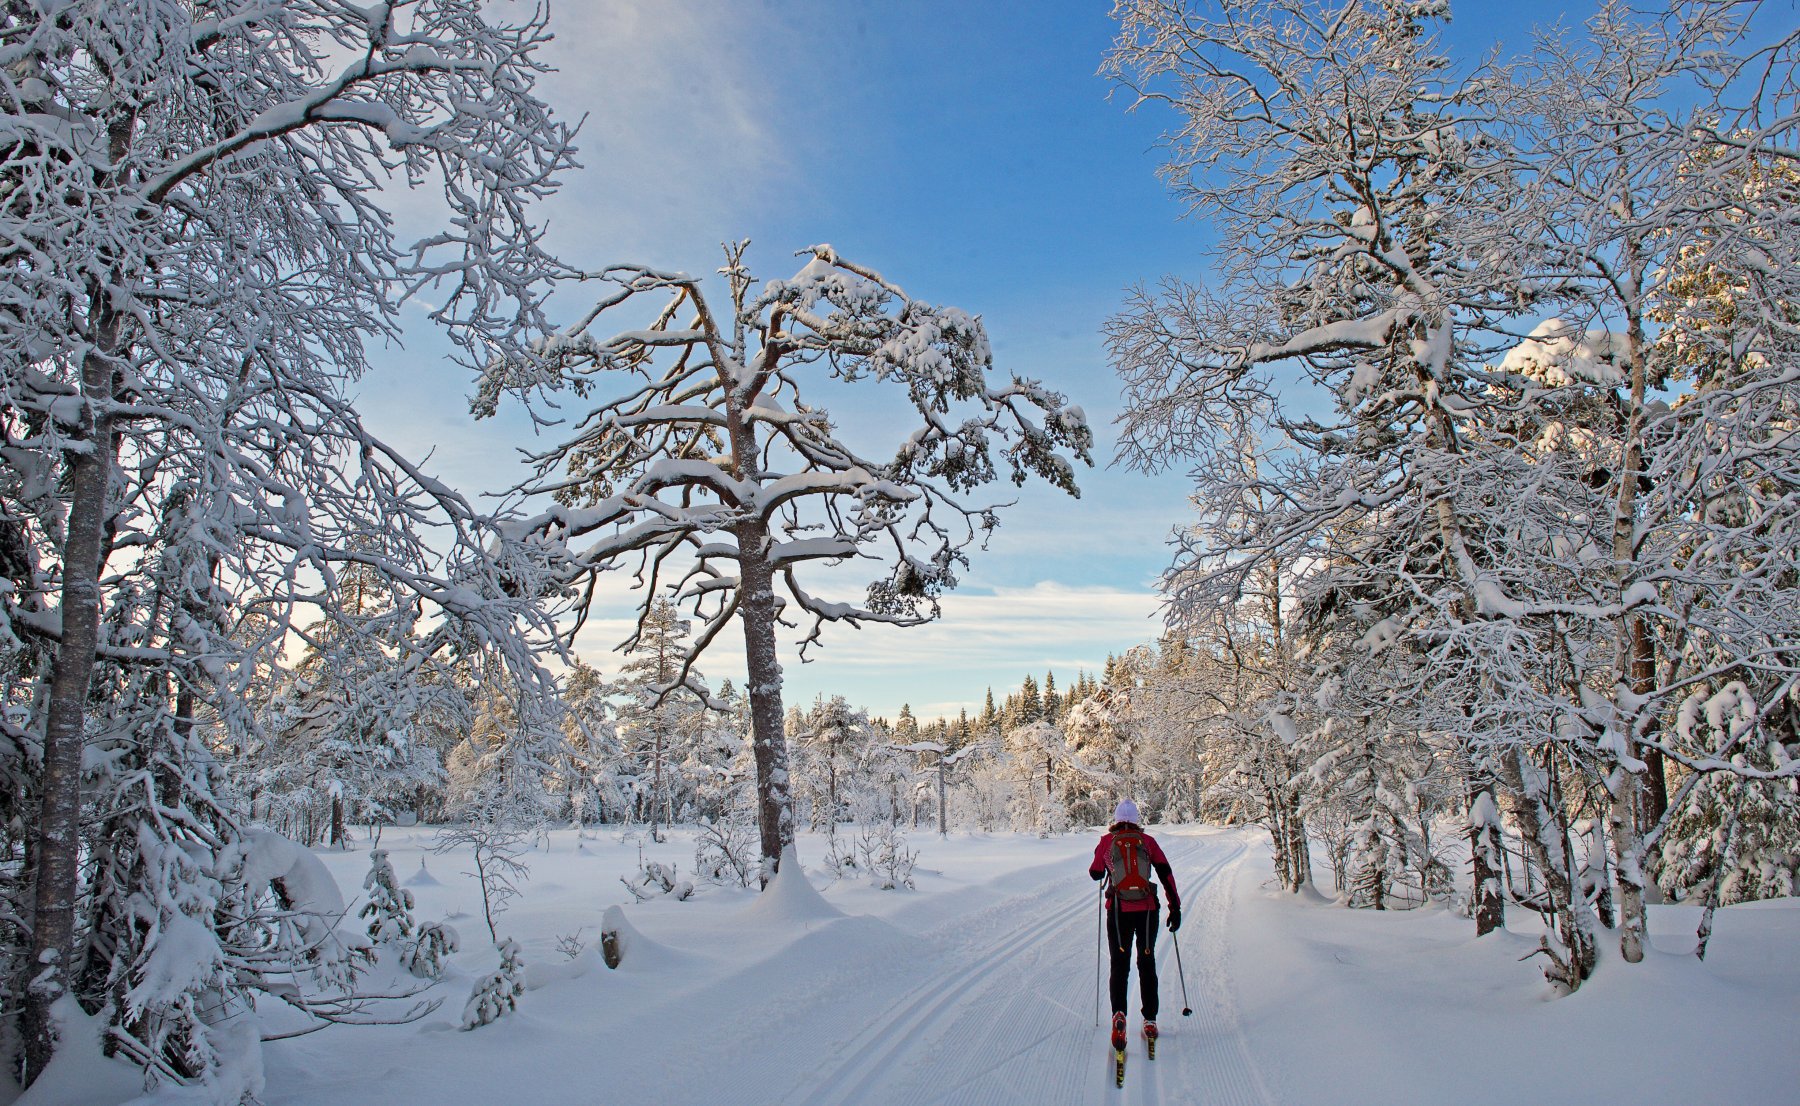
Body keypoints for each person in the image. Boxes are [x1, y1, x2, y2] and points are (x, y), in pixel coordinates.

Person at [1089, 799, 1179, 1052]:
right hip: (1147, 909)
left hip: (1118, 911)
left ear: (1116, 819)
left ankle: (1119, 1015)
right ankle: (1149, 1019)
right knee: (1146, 963)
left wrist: (1106, 867)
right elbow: (1165, 874)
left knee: (1119, 964)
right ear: (1137, 819)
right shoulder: (1148, 842)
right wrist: (1175, 907)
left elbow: (1095, 872)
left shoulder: (1107, 842)